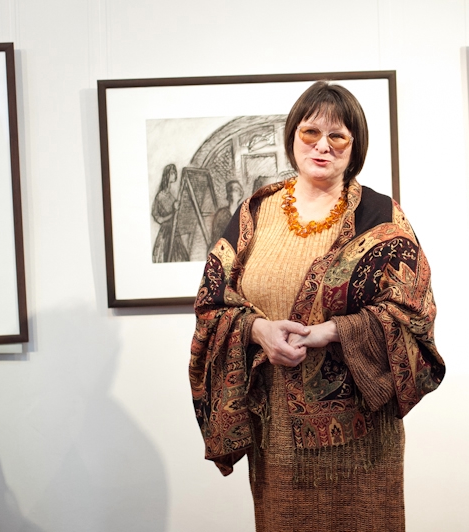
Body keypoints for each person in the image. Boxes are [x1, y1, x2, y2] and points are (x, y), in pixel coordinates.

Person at [189, 81, 445, 531]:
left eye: (337, 136)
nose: (322, 146)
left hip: (364, 442)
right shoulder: (254, 213)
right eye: (311, 132)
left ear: (354, 146)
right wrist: (258, 331)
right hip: (277, 436)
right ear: (293, 135)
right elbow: (213, 305)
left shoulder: (382, 218)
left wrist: (331, 332)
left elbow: (413, 315)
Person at [151, 163, 188, 263]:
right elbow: (157, 217)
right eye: (172, 172)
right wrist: (173, 213)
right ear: (167, 175)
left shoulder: (171, 195)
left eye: (175, 172)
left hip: (174, 230)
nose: (175, 174)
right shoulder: (160, 196)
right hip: (166, 234)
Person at [208, 179, 244, 252]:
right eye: (230, 189)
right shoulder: (221, 214)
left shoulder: (244, 213)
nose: (232, 192)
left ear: (240, 194)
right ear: (227, 194)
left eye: (235, 190)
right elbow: (215, 237)